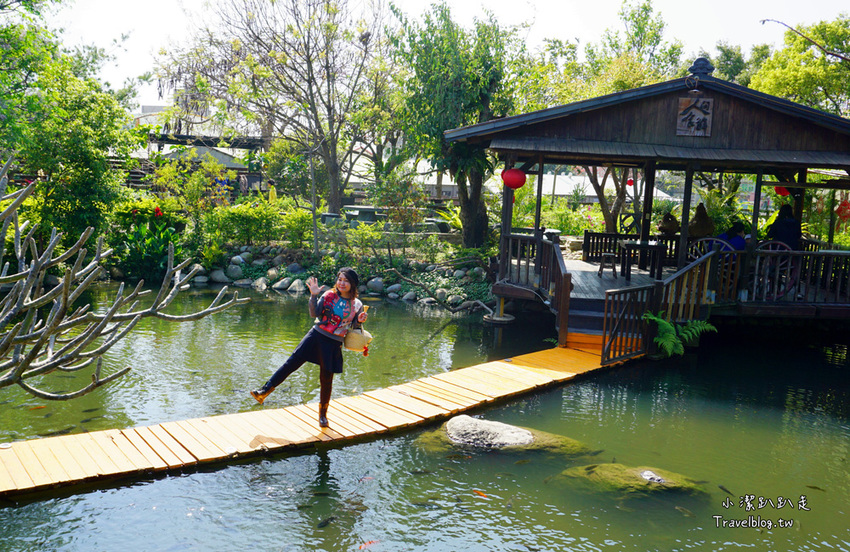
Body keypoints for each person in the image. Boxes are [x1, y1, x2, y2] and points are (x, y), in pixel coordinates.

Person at [250, 267, 367, 427]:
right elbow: (314, 313)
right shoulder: (329, 295)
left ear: (353, 284)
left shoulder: (357, 304)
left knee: (326, 379)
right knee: (291, 363)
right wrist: (313, 295)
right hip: (316, 335)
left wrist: (360, 320)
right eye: (340, 279)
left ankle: (323, 415)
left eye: (346, 280)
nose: (342, 283)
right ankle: (264, 391)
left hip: (334, 343)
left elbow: (353, 327)